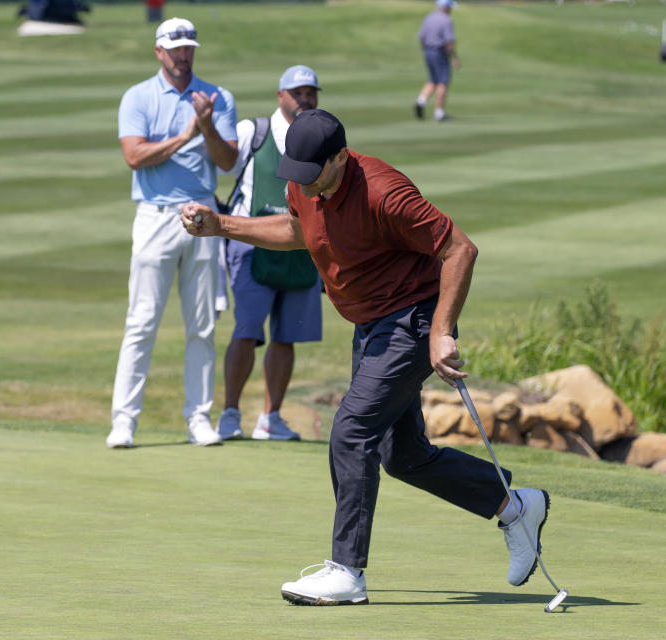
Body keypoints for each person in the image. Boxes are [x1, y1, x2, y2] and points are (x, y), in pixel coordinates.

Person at [180, 109, 551, 606]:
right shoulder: (303, 179)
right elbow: (296, 232)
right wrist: (221, 224)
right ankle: (514, 507)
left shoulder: (384, 191)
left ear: (340, 157)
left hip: (413, 322)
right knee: (403, 456)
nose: (303, 185)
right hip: (372, 327)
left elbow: (460, 250)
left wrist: (441, 332)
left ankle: (347, 571)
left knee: (351, 431)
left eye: (313, 174)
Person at [105, 17, 238, 449]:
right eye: (175, 48)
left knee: (202, 325)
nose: (183, 55)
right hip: (155, 215)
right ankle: (124, 421)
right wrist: (186, 133)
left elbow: (227, 162)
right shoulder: (138, 97)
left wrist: (209, 126)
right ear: (159, 51)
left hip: (203, 216)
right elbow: (135, 156)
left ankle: (199, 418)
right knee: (141, 322)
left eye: (189, 47)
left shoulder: (217, 97)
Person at [215, 65, 324, 442]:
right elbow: (223, 163)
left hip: (301, 249)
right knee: (246, 330)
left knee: (286, 336)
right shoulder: (254, 131)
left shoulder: (321, 137)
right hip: (251, 244)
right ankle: (230, 412)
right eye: (298, 92)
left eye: (311, 92)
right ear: (281, 95)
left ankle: (270, 417)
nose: (305, 99)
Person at [414, 0, 460, 122]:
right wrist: (454, 58)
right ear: (445, 7)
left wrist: (427, 50)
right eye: (450, 7)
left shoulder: (429, 17)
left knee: (432, 79)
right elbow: (449, 42)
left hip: (428, 51)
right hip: (439, 52)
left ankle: (421, 101)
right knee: (443, 82)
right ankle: (439, 113)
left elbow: (421, 38)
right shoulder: (446, 20)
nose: (451, 9)